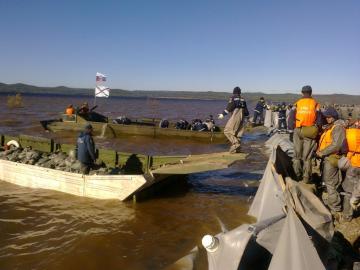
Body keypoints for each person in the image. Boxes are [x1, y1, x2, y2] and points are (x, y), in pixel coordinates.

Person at [316, 107, 347, 215]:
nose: (327, 119)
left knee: (330, 183)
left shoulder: (337, 127)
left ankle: (335, 207)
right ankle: (335, 202)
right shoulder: (333, 126)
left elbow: (336, 145)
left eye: (329, 117)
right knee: (332, 182)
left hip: (333, 157)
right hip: (331, 157)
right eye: (326, 117)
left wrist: (322, 152)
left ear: (334, 116)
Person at [291, 85, 321, 183]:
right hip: (309, 131)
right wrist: (318, 131)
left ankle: (296, 176)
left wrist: (292, 130)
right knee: (307, 157)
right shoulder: (315, 104)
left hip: (298, 130)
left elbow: (291, 117)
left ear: (302, 92)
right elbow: (319, 119)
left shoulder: (297, 103)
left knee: (296, 155)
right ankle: (306, 179)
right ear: (311, 92)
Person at [218, 86, 249, 153]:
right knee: (238, 133)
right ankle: (237, 150)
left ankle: (236, 144)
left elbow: (230, 107)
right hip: (242, 116)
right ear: (240, 92)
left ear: (234, 92)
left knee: (227, 131)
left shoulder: (233, 98)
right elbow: (246, 110)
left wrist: (222, 114)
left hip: (236, 114)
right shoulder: (243, 99)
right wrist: (247, 118)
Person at [341, 125, 360, 221]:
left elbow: (343, 149)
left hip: (353, 164)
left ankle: (347, 216)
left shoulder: (350, 133)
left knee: (349, 191)